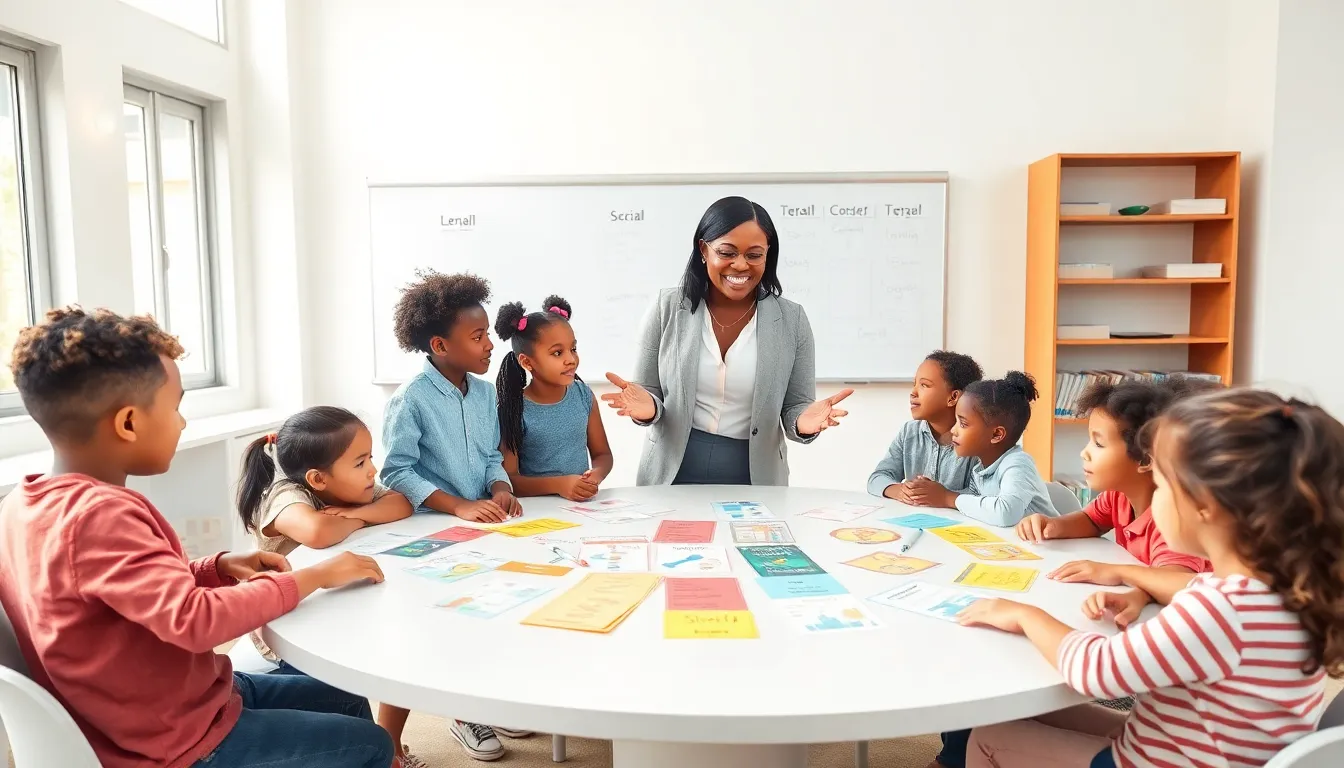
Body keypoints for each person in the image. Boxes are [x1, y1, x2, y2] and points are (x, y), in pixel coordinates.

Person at [0, 307, 391, 768]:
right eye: (176, 407)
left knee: (346, 698)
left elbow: (125, 594)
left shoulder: (25, 504)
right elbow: (194, 621)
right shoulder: (101, 516)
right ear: (128, 423)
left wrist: (216, 568)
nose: (182, 422)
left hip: (184, 701)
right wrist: (314, 577)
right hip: (174, 740)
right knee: (373, 746)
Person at [957, 388, 1344, 768]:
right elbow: (1199, 597)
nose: (1154, 495)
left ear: (1205, 507)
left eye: (1162, 481)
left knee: (990, 738)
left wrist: (1026, 615)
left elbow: (1097, 671)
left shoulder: (1219, 610)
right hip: (1195, 743)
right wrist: (1138, 592)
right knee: (1011, 718)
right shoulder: (1288, 588)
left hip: (1165, 759)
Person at [377, 270, 531, 761]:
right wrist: (458, 505)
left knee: (490, 614)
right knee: (424, 632)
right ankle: (391, 744)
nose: (490, 345)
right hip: (433, 530)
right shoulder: (410, 399)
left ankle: (476, 704)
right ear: (441, 345)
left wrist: (501, 486)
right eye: (478, 336)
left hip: (483, 526)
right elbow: (397, 471)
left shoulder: (484, 394)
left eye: (488, 333)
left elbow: (490, 456)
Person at [601, 195, 854, 485]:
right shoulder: (666, 308)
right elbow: (648, 393)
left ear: (768, 255)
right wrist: (647, 409)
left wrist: (804, 423)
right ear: (703, 250)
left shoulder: (792, 320)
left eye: (754, 254)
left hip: (755, 472)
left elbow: (796, 406)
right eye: (727, 252)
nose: (740, 265)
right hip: (672, 469)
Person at [236, 407, 424, 768]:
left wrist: (356, 515)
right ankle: (377, 752)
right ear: (318, 480)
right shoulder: (285, 496)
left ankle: (391, 746)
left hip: (343, 611)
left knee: (404, 646)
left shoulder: (356, 491)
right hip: (293, 632)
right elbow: (318, 533)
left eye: (370, 458)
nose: (372, 470)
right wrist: (352, 518)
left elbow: (401, 504)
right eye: (360, 462)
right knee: (342, 708)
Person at [1020, 378, 1214, 623]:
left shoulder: (1172, 518)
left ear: (1145, 460)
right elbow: (1092, 520)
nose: (1084, 452)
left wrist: (1115, 573)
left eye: (1099, 443)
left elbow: (1178, 582)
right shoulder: (1118, 495)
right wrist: (1052, 525)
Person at [494, 297, 614, 500]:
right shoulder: (514, 408)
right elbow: (510, 479)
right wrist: (559, 485)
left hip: (580, 506)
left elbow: (602, 454)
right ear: (526, 361)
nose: (571, 359)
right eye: (557, 353)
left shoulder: (583, 395)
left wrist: (597, 474)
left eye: (573, 349)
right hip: (537, 511)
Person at [911, 371, 1055, 524]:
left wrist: (947, 497)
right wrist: (934, 491)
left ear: (996, 434)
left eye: (963, 424)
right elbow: (975, 500)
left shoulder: (1018, 464)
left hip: (1050, 546)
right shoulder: (981, 467)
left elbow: (1006, 513)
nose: (953, 430)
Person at [868, 350, 983, 502]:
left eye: (924, 385)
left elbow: (986, 496)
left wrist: (944, 496)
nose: (913, 393)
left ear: (953, 397)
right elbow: (877, 478)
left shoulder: (979, 438)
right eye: (914, 384)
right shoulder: (909, 432)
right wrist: (899, 490)